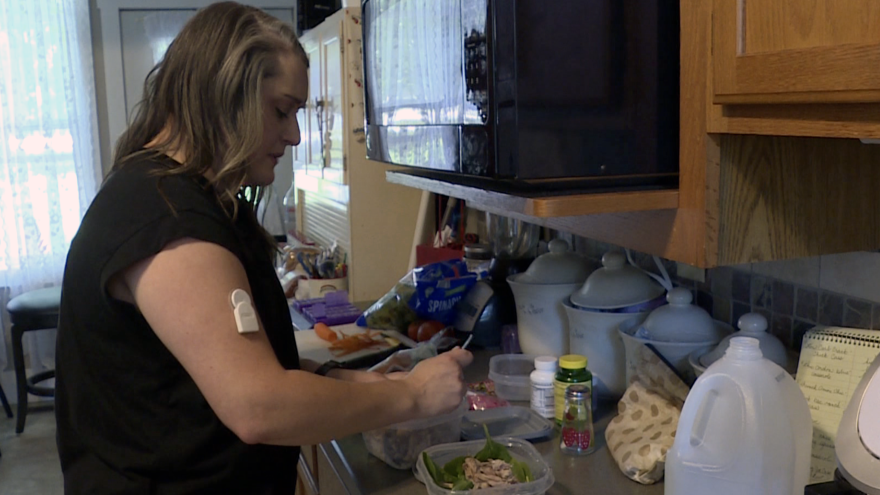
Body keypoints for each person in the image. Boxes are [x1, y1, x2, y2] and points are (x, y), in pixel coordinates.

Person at [54, 3, 473, 493]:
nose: (295, 134)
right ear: (222, 96)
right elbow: (258, 405)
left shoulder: (184, 197)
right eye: (281, 110)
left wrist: (358, 383)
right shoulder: (165, 219)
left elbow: (231, 367)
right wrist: (415, 400)